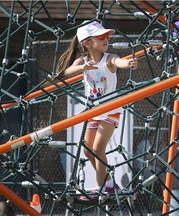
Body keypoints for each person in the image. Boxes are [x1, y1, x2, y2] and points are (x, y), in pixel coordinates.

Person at [57, 20, 137, 198]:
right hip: (93, 111)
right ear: (87, 42)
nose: (106, 39)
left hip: (110, 110)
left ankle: (100, 187)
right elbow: (66, 72)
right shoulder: (83, 60)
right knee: (87, 150)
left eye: (106, 36)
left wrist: (128, 63)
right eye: (101, 37)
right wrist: (81, 67)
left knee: (98, 149)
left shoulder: (108, 58)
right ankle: (109, 183)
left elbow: (119, 62)